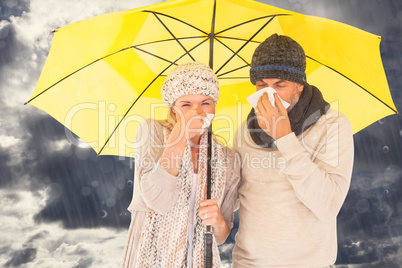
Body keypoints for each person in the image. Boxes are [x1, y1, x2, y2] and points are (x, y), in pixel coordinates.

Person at [232, 34, 354, 267]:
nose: (269, 94)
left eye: (280, 85)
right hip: (248, 263)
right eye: (261, 85)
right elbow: (234, 197)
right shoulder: (244, 130)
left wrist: (285, 138)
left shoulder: (333, 125)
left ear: (299, 84)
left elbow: (328, 204)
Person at [121, 62, 240, 267]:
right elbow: (158, 201)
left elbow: (220, 236)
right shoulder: (152, 133)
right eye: (186, 105)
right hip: (149, 256)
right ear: (174, 110)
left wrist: (218, 220)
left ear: (214, 107)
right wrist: (179, 137)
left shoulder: (228, 159)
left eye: (205, 103)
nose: (197, 111)